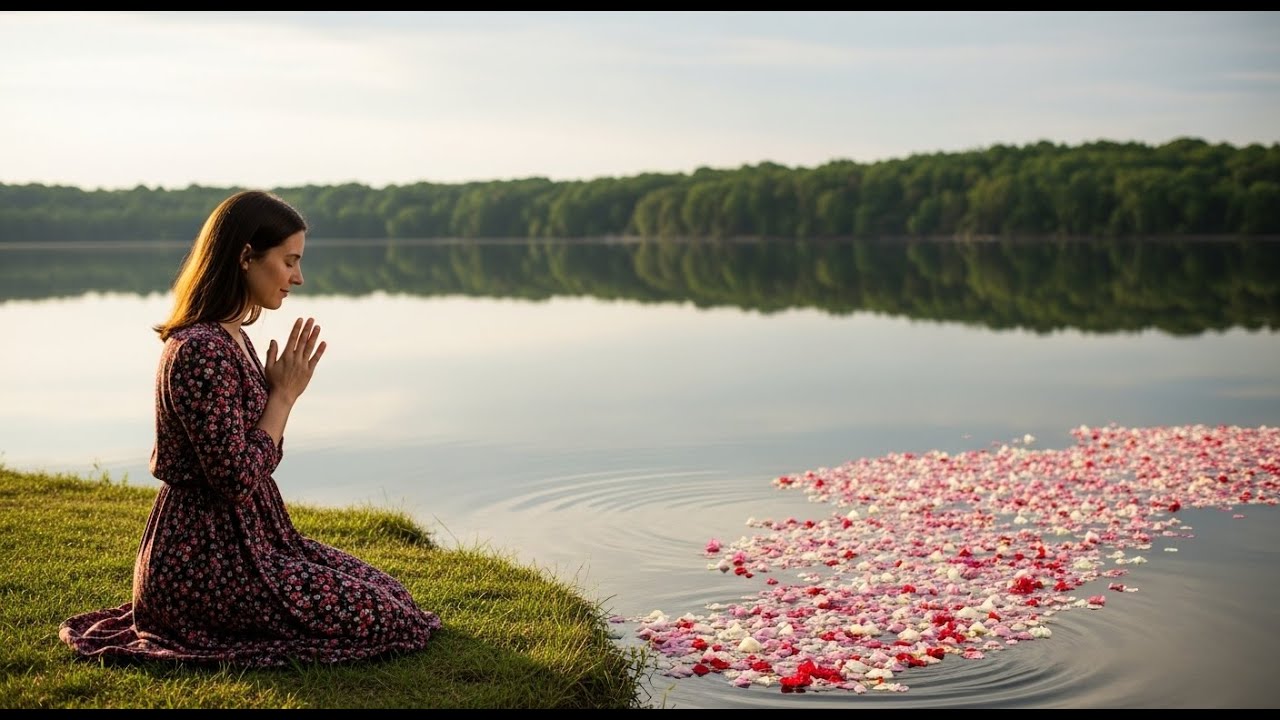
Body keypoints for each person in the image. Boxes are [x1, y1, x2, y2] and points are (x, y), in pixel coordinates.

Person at [59, 190, 442, 667]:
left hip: (257, 541)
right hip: (206, 562)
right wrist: (282, 397)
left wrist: (281, 397)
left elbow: (259, 458)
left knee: (394, 597)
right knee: (384, 616)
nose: (298, 278)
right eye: (289, 261)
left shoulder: (234, 338)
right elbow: (237, 479)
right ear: (246, 256)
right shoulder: (200, 351)